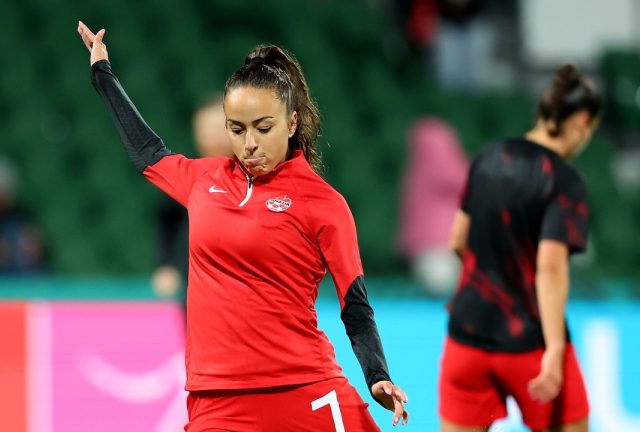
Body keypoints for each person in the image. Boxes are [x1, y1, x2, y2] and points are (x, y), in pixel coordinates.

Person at [77, 21, 408, 431]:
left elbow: (354, 304)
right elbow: (147, 152)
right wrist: (103, 74)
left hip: (305, 390)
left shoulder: (324, 203)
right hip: (216, 399)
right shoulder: (203, 180)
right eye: (237, 129)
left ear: (291, 123)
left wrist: (378, 377)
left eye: (263, 128)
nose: (249, 144)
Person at [439, 65, 601, 432]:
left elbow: (457, 240)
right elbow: (550, 268)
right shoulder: (564, 179)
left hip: (466, 338)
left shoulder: (488, 157)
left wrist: (491, 282)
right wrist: (556, 351)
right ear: (581, 121)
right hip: (529, 342)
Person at [152, 95, 232, 307]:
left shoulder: (255, 173)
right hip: (196, 283)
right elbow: (165, 222)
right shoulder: (186, 175)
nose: (214, 136)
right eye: (207, 129)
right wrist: (166, 265)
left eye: (220, 127)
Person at [398, 116, 468, 296]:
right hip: (438, 248)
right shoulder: (440, 170)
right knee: (443, 289)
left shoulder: (416, 174)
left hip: (431, 249)